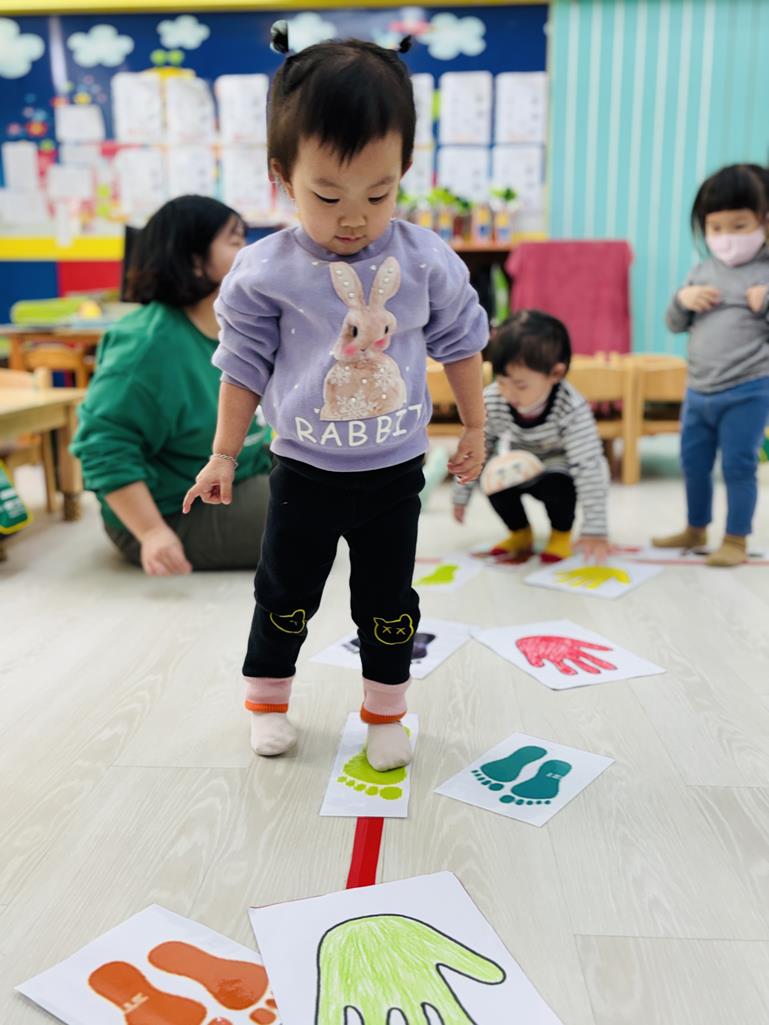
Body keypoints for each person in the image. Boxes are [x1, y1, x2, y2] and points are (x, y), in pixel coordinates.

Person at [183, 27, 487, 771]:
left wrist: (475, 426)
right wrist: (223, 453)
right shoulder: (264, 271)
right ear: (281, 176)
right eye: (327, 195)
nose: (354, 216)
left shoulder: (425, 261)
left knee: (389, 604)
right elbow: (241, 365)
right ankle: (267, 702)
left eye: (378, 193)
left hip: (394, 475)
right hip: (303, 473)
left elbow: (460, 343)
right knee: (285, 593)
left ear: (404, 169)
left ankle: (385, 713)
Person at [71, 196, 273, 575]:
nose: (248, 252)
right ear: (195, 260)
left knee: (324, 488)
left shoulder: (232, 329)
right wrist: (151, 532)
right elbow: (103, 448)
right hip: (170, 511)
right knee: (307, 516)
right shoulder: (147, 346)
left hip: (235, 477)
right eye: (234, 241)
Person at [654, 163, 769, 566]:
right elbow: (674, 324)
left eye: (739, 226)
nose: (726, 237)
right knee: (693, 463)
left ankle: (736, 538)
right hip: (699, 390)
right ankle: (696, 527)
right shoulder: (702, 270)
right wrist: (681, 300)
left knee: (738, 466)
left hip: (748, 388)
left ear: (765, 222)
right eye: (716, 227)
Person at [453, 310, 610, 564]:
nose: (508, 393)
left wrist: (595, 528)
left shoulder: (570, 407)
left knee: (560, 485)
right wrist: (461, 495)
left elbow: (588, 465)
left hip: (557, 467)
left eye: (520, 385)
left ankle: (560, 534)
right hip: (519, 463)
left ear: (555, 374)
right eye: (501, 381)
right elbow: (477, 449)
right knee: (491, 476)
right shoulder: (494, 399)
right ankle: (520, 532)